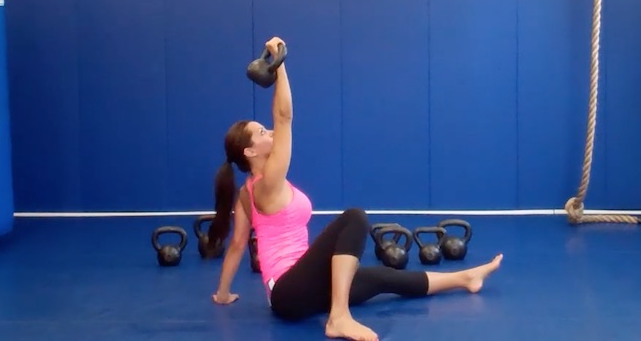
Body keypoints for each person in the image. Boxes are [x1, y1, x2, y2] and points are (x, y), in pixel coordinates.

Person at [207, 37, 503, 341]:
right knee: (354, 218)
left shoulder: (247, 192)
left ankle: (466, 278)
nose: (269, 133)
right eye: (261, 133)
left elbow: (238, 243)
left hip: (301, 289)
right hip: (288, 291)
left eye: (265, 128)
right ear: (250, 153)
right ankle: (338, 317)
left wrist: (223, 293)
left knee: (381, 278)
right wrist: (279, 64)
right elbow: (284, 118)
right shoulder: (267, 183)